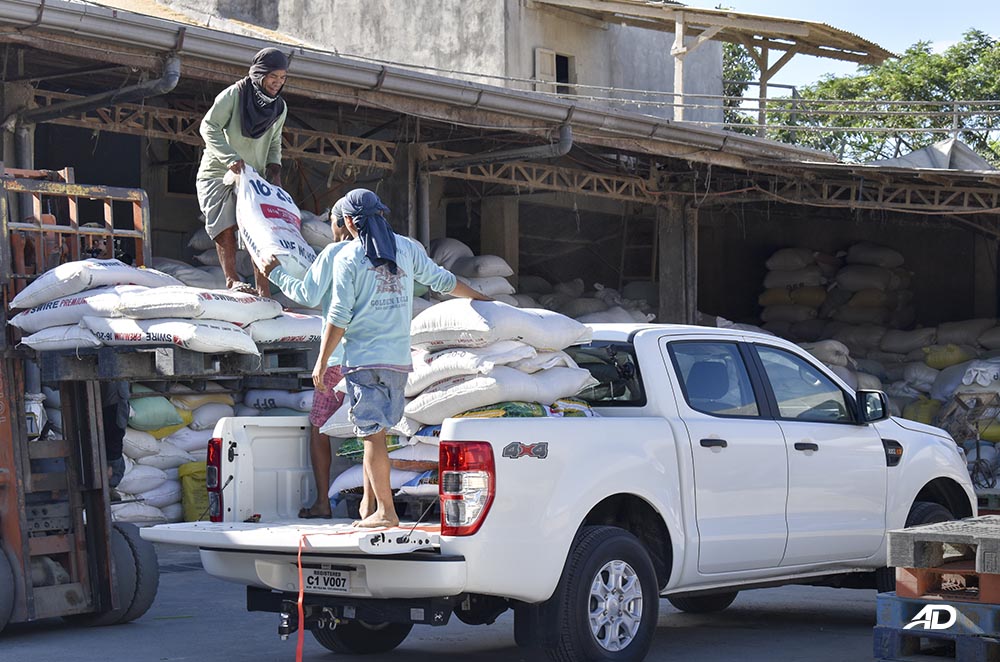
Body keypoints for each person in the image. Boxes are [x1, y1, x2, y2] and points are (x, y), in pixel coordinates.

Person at [313, 189, 490, 528]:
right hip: (399, 361)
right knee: (376, 434)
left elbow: (339, 314)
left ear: (349, 222)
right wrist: (484, 301)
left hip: (364, 361)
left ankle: (386, 512)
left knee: (371, 436)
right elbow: (443, 281)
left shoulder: (349, 257)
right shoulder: (407, 248)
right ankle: (369, 506)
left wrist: (321, 361)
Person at [262, 198, 352, 519]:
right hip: (374, 359)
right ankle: (374, 503)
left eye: (331, 221)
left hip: (337, 359)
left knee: (319, 428)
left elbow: (307, 296)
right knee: (375, 431)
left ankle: (322, 503)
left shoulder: (333, 254)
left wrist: (275, 274)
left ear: (341, 223)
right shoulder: (382, 255)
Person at [196, 46, 289, 297]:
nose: (277, 83)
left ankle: (263, 287)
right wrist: (230, 158)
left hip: (252, 178)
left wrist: (275, 168)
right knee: (225, 226)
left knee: (259, 230)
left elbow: (275, 141)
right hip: (218, 174)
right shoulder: (234, 95)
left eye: (282, 78)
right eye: (273, 77)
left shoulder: (279, 108)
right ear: (260, 74)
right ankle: (232, 279)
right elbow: (209, 127)